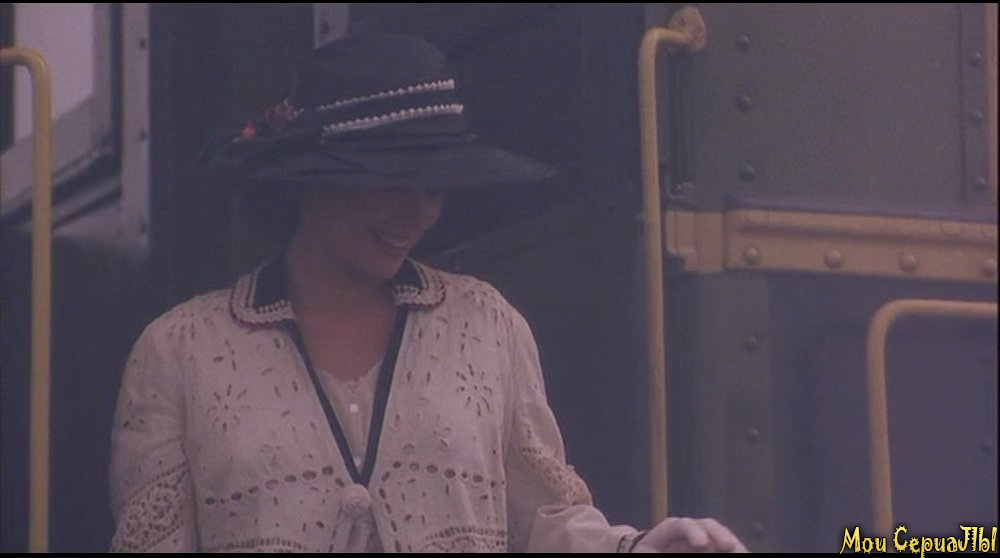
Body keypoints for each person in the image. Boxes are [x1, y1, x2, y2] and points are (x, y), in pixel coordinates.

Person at [108, 32, 748, 553]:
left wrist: (639, 549)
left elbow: (546, 524)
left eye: (434, 188)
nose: (417, 214)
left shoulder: (488, 326)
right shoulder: (180, 352)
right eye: (391, 183)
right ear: (308, 181)